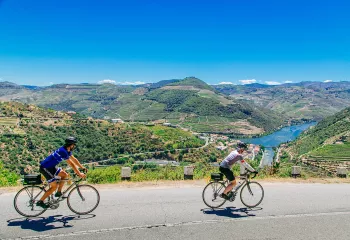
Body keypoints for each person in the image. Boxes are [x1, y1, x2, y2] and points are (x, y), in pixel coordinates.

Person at [36, 136, 87, 209]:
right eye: (74, 144)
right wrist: (79, 173)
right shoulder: (63, 151)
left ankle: (58, 193)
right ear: (71, 145)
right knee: (54, 186)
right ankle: (40, 201)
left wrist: (82, 167)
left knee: (64, 175)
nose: (74, 146)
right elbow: (71, 164)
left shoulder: (67, 150)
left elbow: (74, 159)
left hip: (51, 167)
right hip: (45, 168)